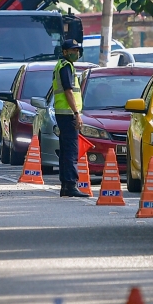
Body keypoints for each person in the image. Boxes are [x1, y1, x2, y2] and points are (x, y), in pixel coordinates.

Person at [53, 38, 86, 197]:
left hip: (63, 113)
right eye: (73, 50)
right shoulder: (65, 67)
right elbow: (68, 91)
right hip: (68, 114)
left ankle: (66, 185)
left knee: (66, 150)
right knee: (71, 151)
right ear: (65, 52)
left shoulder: (63, 65)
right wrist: (76, 113)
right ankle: (71, 184)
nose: (76, 53)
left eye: (77, 50)